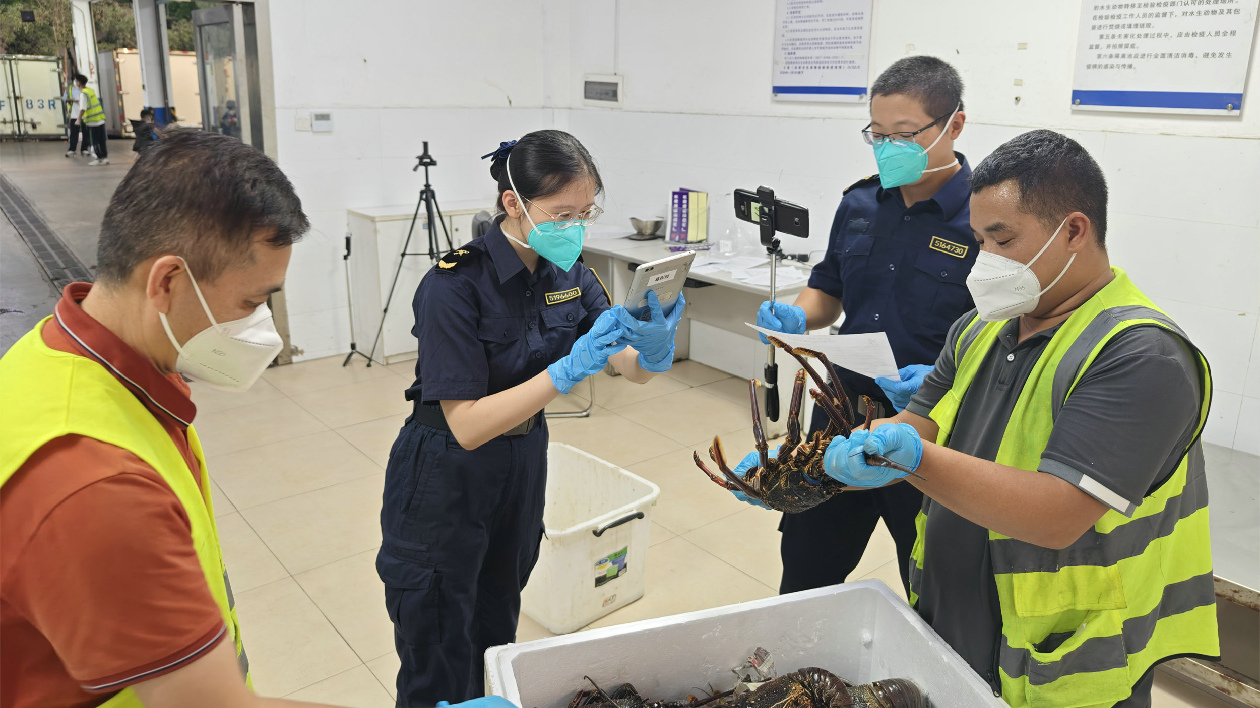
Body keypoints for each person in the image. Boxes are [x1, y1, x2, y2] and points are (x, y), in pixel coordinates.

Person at [0, 129, 514, 708]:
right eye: (251, 302)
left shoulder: (66, 360)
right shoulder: (97, 484)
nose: (261, 325)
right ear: (167, 282)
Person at [744, 130, 1219, 707]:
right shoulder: (981, 327)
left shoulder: (1140, 354)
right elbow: (919, 423)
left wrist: (912, 460)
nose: (985, 260)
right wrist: (812, 468)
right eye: (978, 239)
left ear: (1073, 230)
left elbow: (1056, 516)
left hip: (1066, 660)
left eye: (1004, 239)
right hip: (957, 625)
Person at [378, 130, 685, 706]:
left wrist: (654, 344)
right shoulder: (453, 284)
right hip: (446, 473)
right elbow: (466, 424)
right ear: (512, 203)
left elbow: (628, 365)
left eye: (585, 212)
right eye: (560, 212)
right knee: (439, 645)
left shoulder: (571, 274)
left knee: (498, 625)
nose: (574, 226)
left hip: (520, 463)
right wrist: (566, 371)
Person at [753, 56, 978, 597]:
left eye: (903, 134)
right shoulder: (859, 202)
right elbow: (828, 293)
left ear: (955, 124)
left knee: (931, 584)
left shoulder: (985, 217)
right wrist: (797, 315)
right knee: (806, 567)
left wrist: (945, 378)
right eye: (876, 134)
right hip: (840, 415)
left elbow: (1005, 338)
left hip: (931, 428)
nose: (886, 148)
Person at [73, 74, 109, 166]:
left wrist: (78, 119)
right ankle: (104, 158)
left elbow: (83, 108)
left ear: (79, 83)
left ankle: (99, 158)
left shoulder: (83, 94)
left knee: (94, 141)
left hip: (92, 121)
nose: (75, 82)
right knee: (102, 140)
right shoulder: (91, 90)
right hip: (100, 119)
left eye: (76, 81)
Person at [64, 74, 92, 158]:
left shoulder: (87, 90)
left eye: (76, 80)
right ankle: (72, 149)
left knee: (86, 133)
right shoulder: (69, 89)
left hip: (85, 115)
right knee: (74, 133)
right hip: (74, 115)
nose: (75, 82)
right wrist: (71, 100)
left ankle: (84, 149)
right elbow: (64, 98)